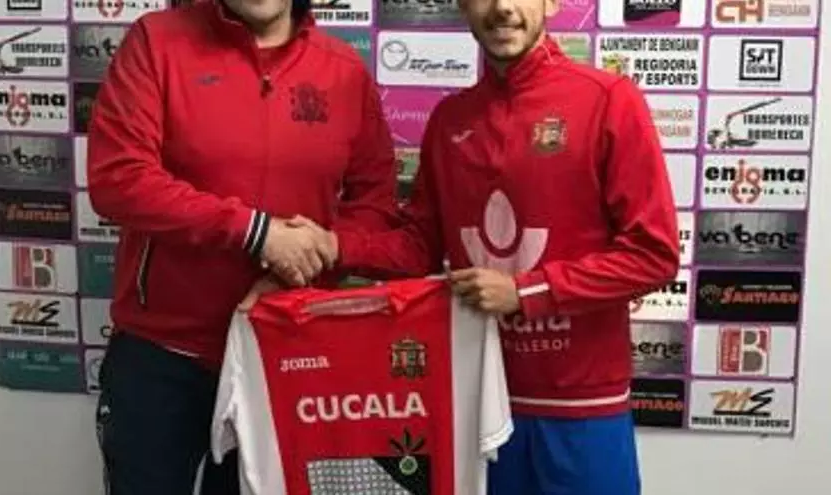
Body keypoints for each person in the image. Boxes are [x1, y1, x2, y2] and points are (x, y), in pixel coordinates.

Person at [253, 0, 682, 492]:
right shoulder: (450, 119)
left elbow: (654, 255)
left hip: (581, 408)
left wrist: (525, 292)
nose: (502, 8)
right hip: (476, 404)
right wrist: (333, 246)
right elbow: (417, 248)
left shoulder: (607, 99)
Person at [85, 0, 399, 492]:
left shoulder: (343, 69)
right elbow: (119, 179)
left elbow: (375, 206)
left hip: (283, 349)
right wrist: (258, 233)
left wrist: (296, 275)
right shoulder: (157, 41)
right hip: (162, 355)